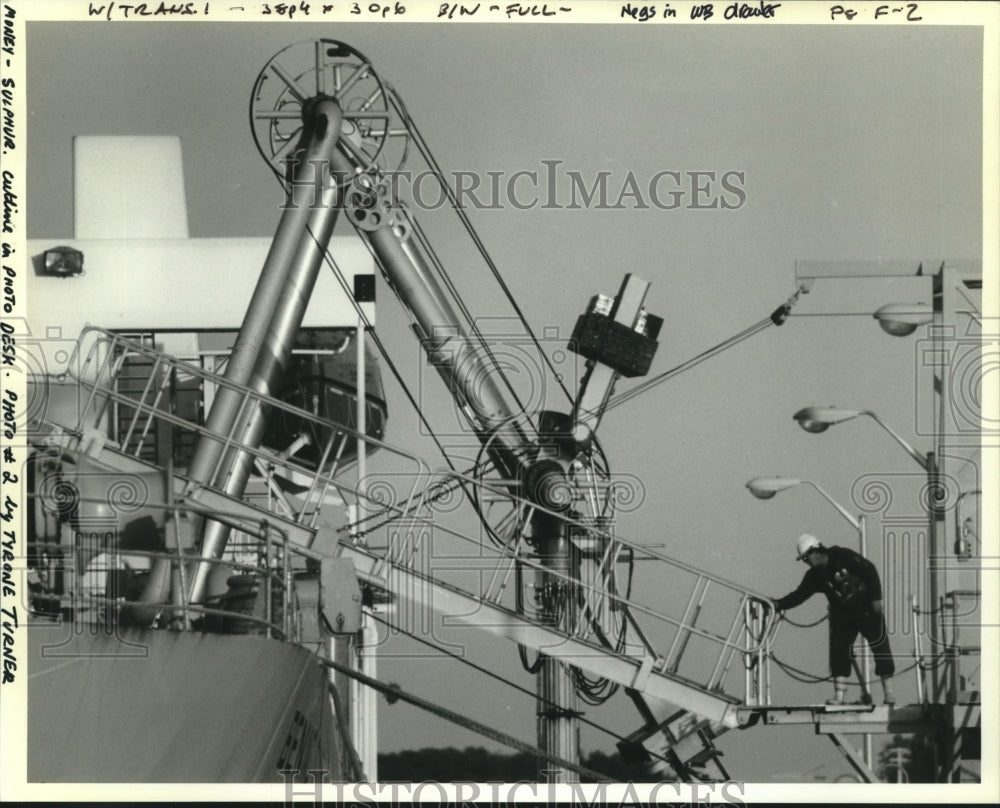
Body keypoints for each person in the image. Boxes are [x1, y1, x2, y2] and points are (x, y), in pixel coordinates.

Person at [773, 533, 896, 706]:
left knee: (880, 646)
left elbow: (869, 569)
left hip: (867, 609)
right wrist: (777, 605)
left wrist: (876, 597)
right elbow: (799, 595)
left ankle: (889, 694)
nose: (805, 562)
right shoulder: (814, 576)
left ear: (815, 551)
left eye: (806, 557)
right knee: (839, 651)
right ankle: (839, 696)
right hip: (843, 615)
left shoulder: (842, 555)